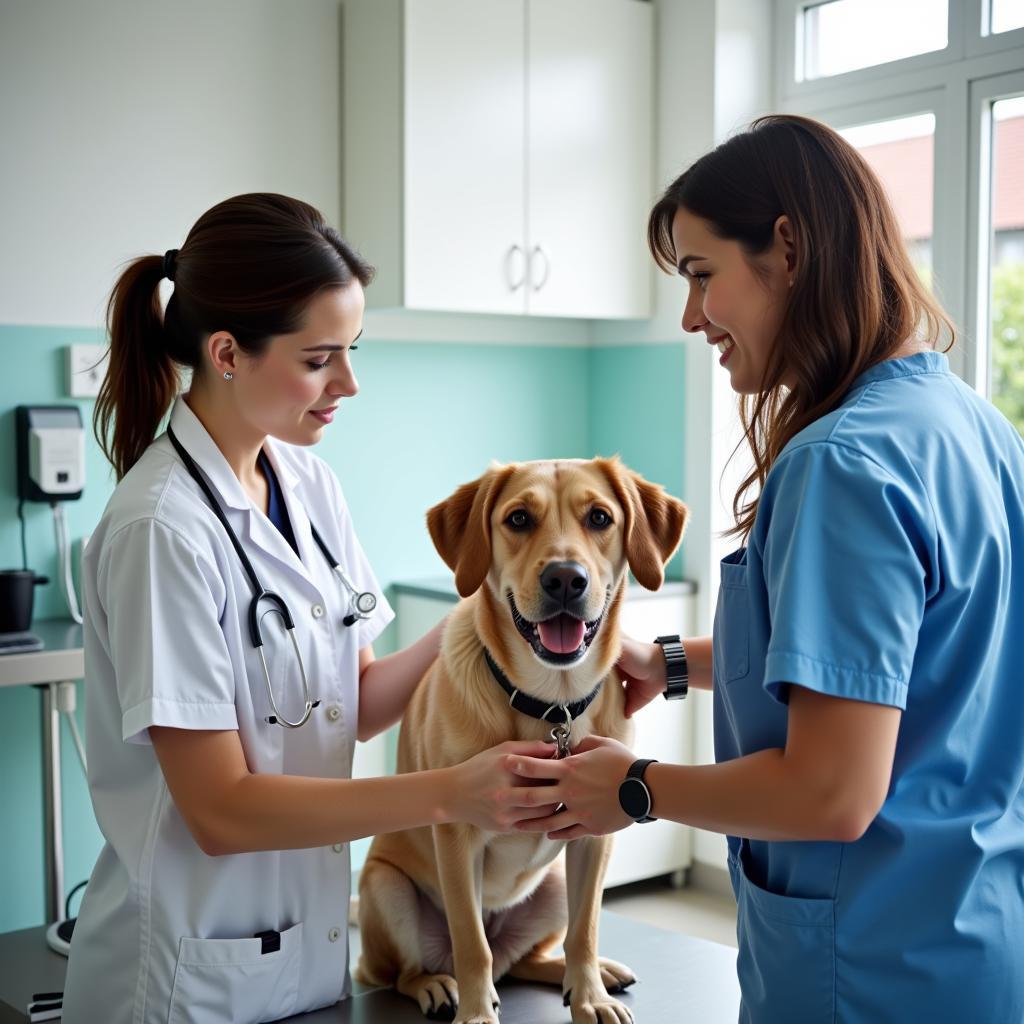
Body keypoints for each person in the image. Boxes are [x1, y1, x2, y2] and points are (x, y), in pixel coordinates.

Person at [511, 115, 1024, 1022]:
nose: (690, 316)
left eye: (703, 276)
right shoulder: (970, 424)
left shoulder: (842, 462)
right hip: (972, 937)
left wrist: (633, 787)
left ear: (787, 248)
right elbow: (905, 658)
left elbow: (832, 793)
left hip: (866, 973)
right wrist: (673, 664)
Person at [62, 193, 556, 1024]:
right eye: (321, 357)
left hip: (305, 959)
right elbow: (219, 810)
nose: (349, 383)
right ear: (226, 353)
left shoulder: (308, 482)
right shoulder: (160, 530)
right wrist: (447, 792)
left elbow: (352, 706)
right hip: (189, 977)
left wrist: (483, 615)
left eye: (351, 350)